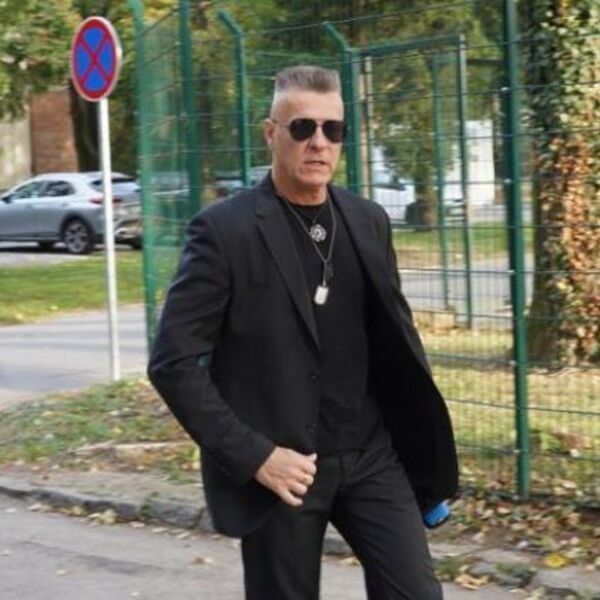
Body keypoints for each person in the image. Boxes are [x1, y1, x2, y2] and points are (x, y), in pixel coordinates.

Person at [148, 64, 459, 599]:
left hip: (372, 455)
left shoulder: (367, 220)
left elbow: (397, 340)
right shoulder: (224, 231)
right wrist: (256, 457)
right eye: (302, 128)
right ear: (271, 133)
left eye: (332, 129)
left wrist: (417, 444)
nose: (319, 142)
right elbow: (172, 363)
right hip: (284, 468)